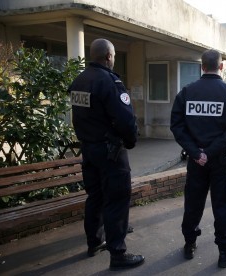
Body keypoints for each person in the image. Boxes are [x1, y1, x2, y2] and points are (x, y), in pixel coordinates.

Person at [69, 38, 144, 270]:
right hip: (110, 152)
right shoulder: (110, 81)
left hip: (89, 150)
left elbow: (78, 117)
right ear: (109, 57)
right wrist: (131, 141)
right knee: (117, 200)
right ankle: (118, 254)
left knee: (96, 197)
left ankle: (94, 242)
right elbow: (125, 119)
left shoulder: (79, 81)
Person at [170, 49, 226, 268]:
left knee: (193, 203)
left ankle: (189, 244)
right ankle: (224, 252)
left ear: (202, 66)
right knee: (222, 205)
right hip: (220, 160)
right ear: (220, 66)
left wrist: (197, 153)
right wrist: (210, 152)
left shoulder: (187, 92)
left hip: (196, 161)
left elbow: (177, 126)